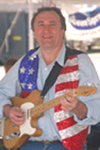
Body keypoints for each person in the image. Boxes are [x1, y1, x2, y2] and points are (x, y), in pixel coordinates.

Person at [0, 7, 100, 150]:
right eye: (41, 25)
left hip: (67, 146)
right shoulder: (26, 61)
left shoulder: (80, 61)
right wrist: (8, 110)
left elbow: (97, 107)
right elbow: (1, 91)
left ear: (62, 31)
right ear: (34, 33)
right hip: (29, 144)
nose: (46, 30)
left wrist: (78, 107)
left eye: (52, 24)